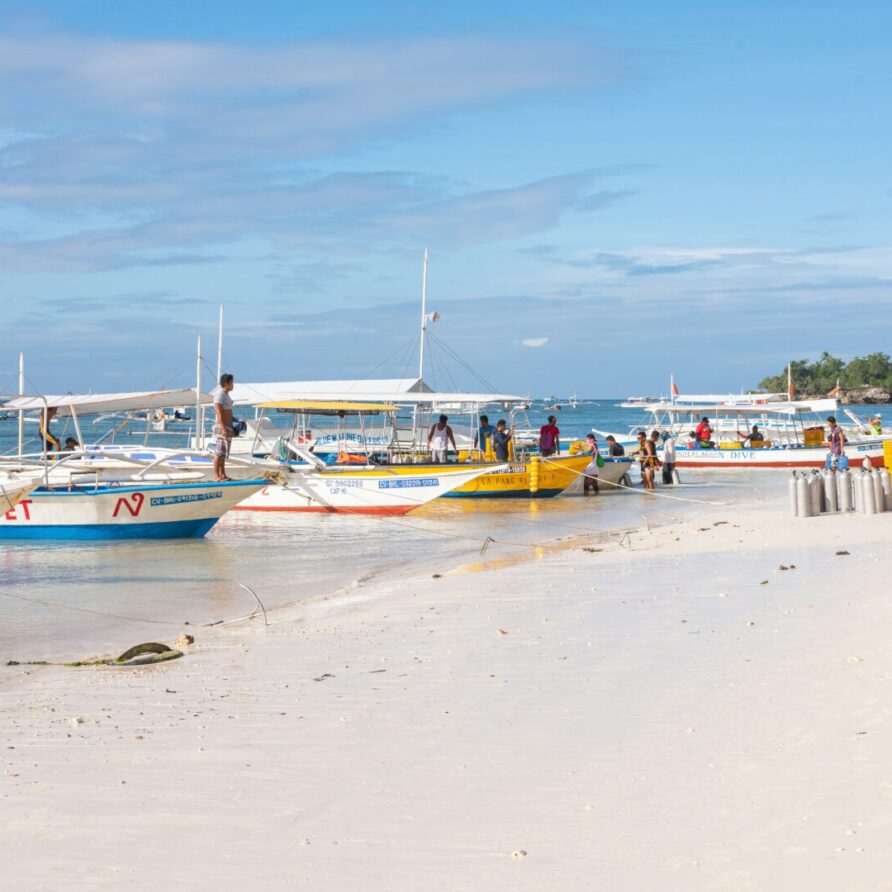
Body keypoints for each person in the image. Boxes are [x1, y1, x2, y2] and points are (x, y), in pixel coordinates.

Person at [213, 372, 235, 481]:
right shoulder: (220, 395)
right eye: (231, 383)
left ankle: (223, 474)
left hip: (228, 426)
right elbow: (219, 412)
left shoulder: (226, 395)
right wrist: (222, 428)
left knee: (224, 453)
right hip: (222, 426)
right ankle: (216, 475)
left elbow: (228, 412)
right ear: (226, 383)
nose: (233, 385)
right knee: (219, 452)